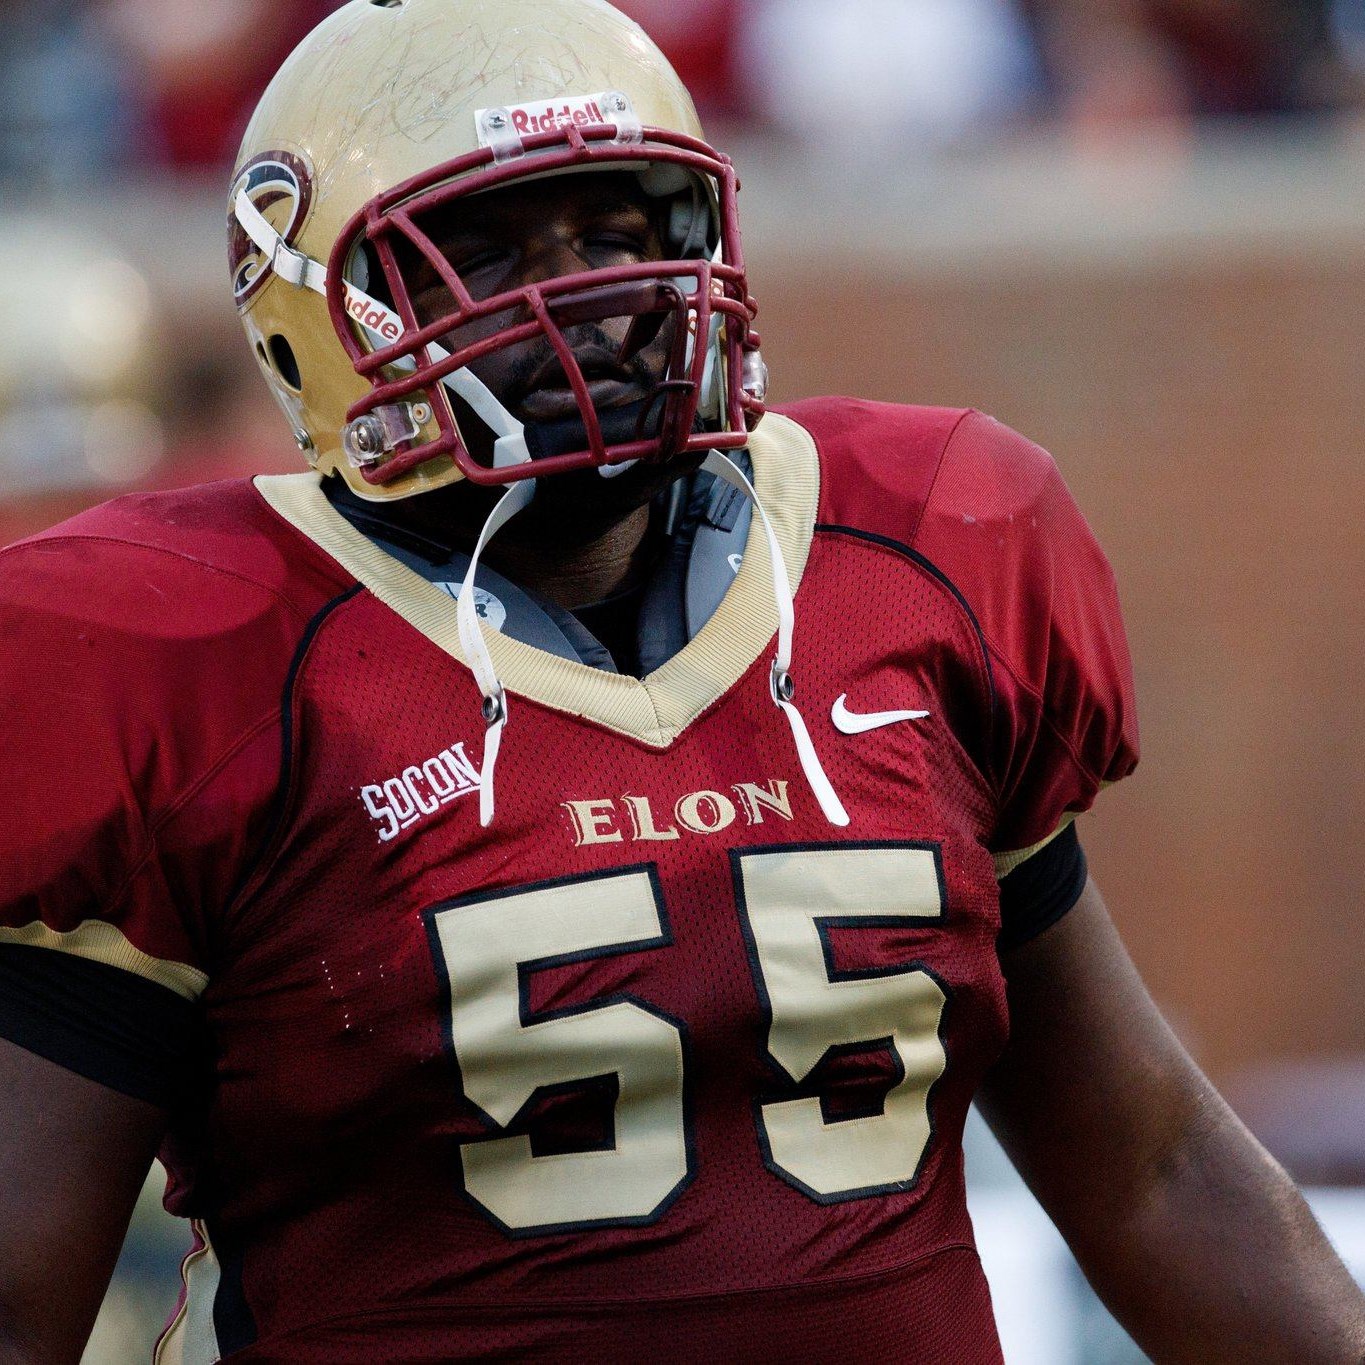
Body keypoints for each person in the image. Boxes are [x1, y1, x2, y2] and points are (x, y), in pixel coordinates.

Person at [0, 2, 1361, 1361]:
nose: (581, 299)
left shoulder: (910, 562)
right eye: (484, 251)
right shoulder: (199, 663)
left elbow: (1152, 1169)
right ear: (315, 313)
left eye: (615, 231)